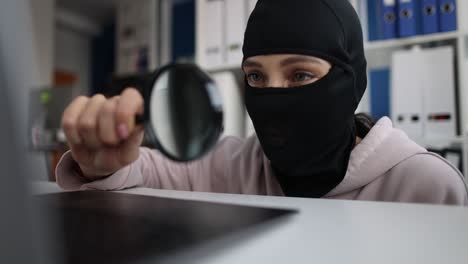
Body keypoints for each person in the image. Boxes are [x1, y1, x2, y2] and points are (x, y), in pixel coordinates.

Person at [56, 0, 467, 205]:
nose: (273, 96)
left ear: (352, 80)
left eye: (300, 75)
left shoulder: (425, 185)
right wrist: (101, 163)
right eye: (255, 76)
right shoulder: (229, 164)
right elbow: (141, 171)